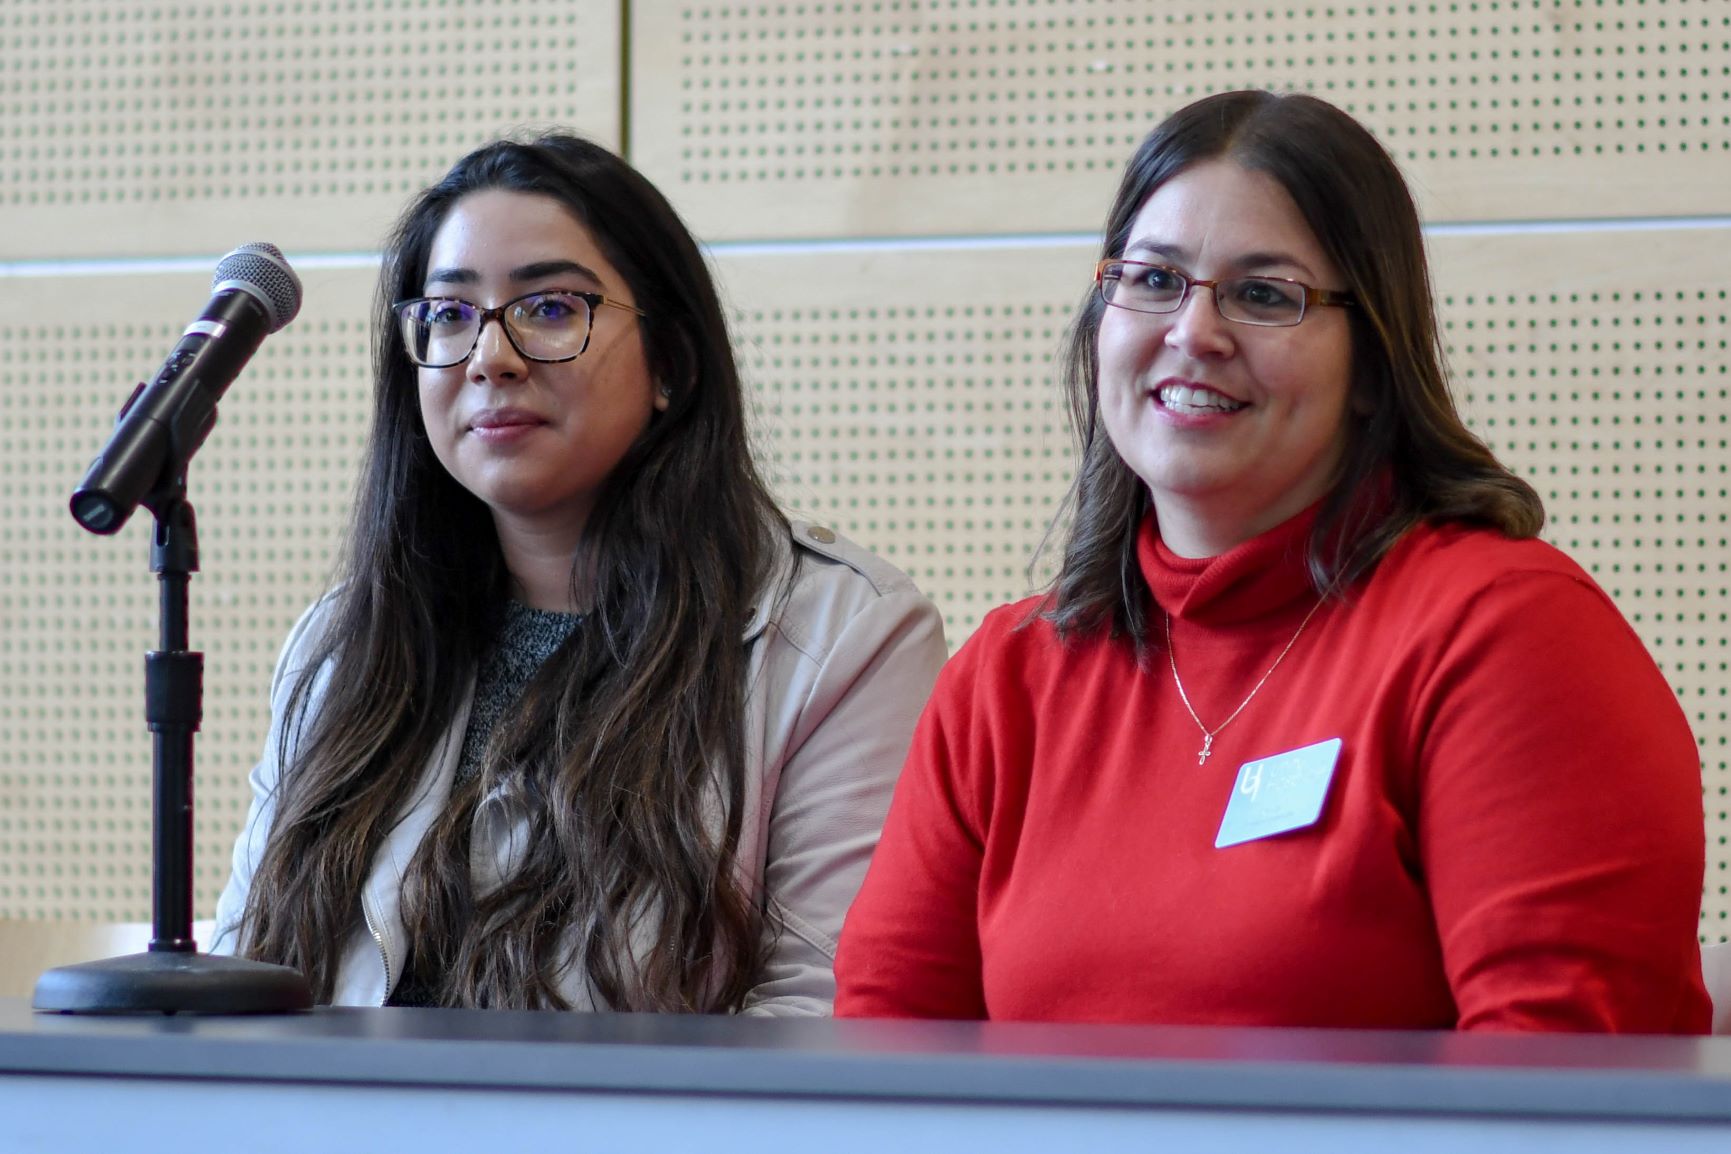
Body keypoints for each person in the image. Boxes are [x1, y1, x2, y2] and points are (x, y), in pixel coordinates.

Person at [833, 90, 1710, 1032]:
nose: (1193, 334)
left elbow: (1559, 1086)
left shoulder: (1502, 632)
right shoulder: (1006, 680)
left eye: (1263, 295)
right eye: (1153, 280)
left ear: (1372, 366)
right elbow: (890, 1067)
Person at [210, 132, 947, 1014]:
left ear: (669, 361)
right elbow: (243, 970)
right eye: (448, 315)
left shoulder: (842, 636)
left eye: (551, 308)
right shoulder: (340, 644)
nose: (490, 356)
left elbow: (816, 1021)